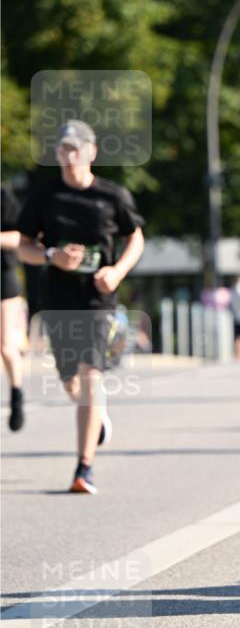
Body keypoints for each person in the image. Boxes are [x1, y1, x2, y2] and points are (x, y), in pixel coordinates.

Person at [17, 120, 144, 493]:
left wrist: (117, 272)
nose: (69, 157)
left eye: (76, 149)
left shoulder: (112, 196)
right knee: (71, 382)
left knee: (91, 377)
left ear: (91, 152)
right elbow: (25, 245)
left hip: (96, 299)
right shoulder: (44, 197)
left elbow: (135, 238)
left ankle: (83, 468)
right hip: (56, 297)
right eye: (63, 150)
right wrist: (52, 255)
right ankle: (98, 416)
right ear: (56, 154)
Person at [1, 185, 25, 431]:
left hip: (3, 278)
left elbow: (20, 237)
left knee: (5, 345)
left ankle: (16, 394)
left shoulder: (3, 195)